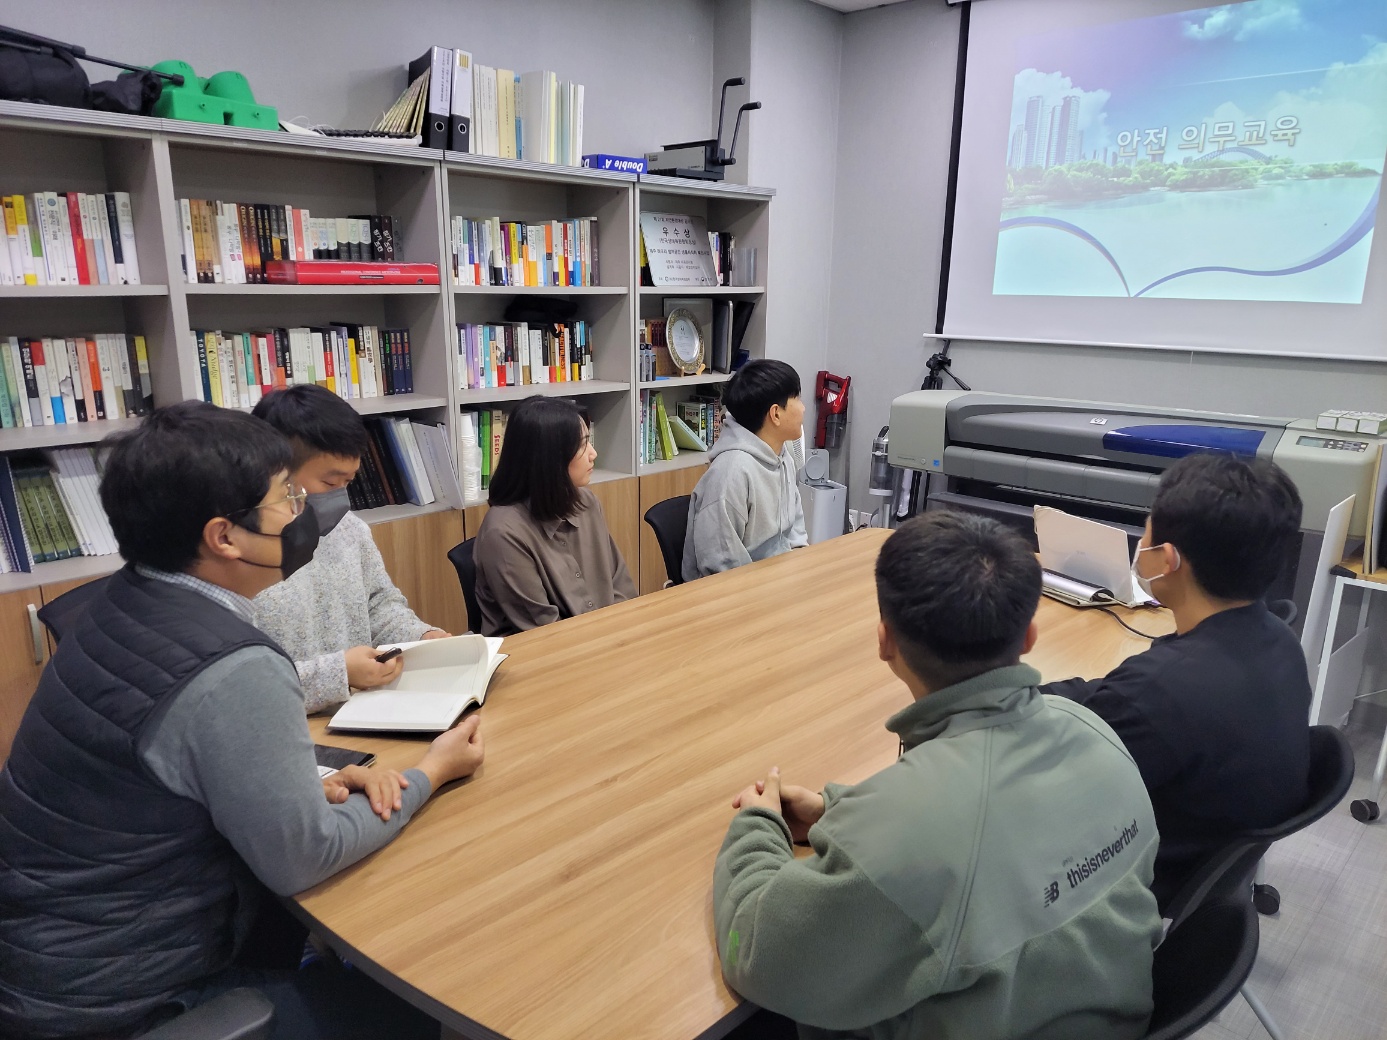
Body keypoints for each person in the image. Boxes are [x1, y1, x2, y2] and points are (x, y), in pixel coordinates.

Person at [0, 402, 485, 1040]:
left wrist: (307, 784)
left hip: (45, 961)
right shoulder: (232, 664)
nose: (305, 514)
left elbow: (164, 771)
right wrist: (432, 772)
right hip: (129, 1001)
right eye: (288, 497)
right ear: (224, 536)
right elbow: (307, 855)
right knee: (426, 988)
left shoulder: (121, 605)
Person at [714, 512, 1162, 1040]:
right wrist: (841, 815)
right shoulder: (1095, 733)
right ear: (1029, 636)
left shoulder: (907, 833)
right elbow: (995, 840)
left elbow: (757, 954)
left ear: (885, 641)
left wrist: (756, 829)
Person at [1043, 452, 1311, 908]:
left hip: (1134, 877)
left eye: (1146, 532)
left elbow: (1053, 783)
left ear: (1167, 559)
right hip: (1206, 858)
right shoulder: (1279, 640)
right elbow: (1112, 702)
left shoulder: (1158, 689)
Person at [250, 384, 451, 714]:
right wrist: (337, 673)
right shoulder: (243, 559)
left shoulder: (350, 529)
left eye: (348, 482)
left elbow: (379, 604)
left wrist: (420, 636)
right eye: (330, 483)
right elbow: (244, 685)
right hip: (288, 723)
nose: (340, 496)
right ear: (275, 471)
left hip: (362, 712)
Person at [473, 396, 636, 635]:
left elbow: (621, 586)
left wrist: (623, 634)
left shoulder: (586, 502)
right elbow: (545, 630)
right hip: (541, 651)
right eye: (582, 445)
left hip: (604, 640)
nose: (593, 453)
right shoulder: (503, 533)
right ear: (550, 458)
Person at [683, 359, 808, 581]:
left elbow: (796, 535)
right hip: (737, 591)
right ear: (775, 414)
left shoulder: (782, 456)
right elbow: (722, 568)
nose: (803, 407)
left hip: (779, 582)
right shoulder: (731, 474)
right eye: (797, 398)